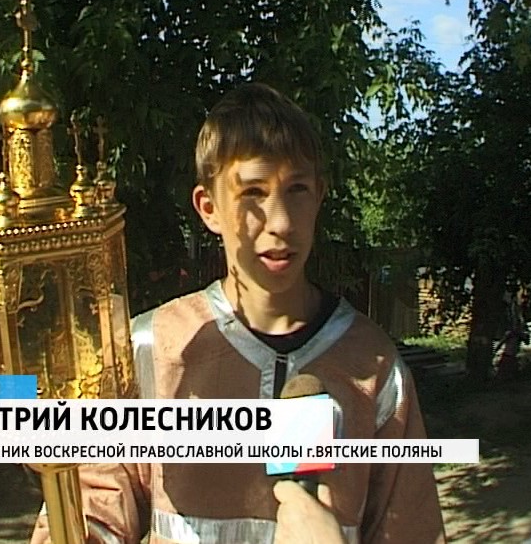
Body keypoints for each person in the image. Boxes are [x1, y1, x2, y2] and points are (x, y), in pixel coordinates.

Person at [30, 83, 445, 544]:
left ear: (320, 196)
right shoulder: (151, 350)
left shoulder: (373, 365)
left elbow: (412, 530)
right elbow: (93, 509)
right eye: (252, 192)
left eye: (297, 189)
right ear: (209, 209)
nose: (281, 222)